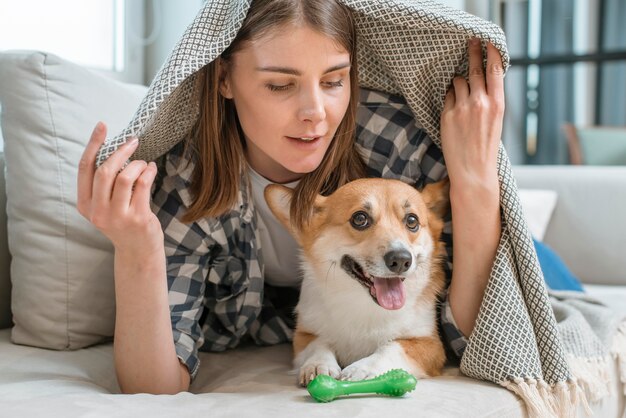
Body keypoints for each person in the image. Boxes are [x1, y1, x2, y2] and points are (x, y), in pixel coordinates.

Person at [77, 0, 504, 395]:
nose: (315, 113)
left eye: (335, 80)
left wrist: (477, 181)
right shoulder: (189, 181)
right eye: (281, 85)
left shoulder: (395, 138)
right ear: (224, 78)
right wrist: (136, 249)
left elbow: (470, 336)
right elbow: (153, 387)